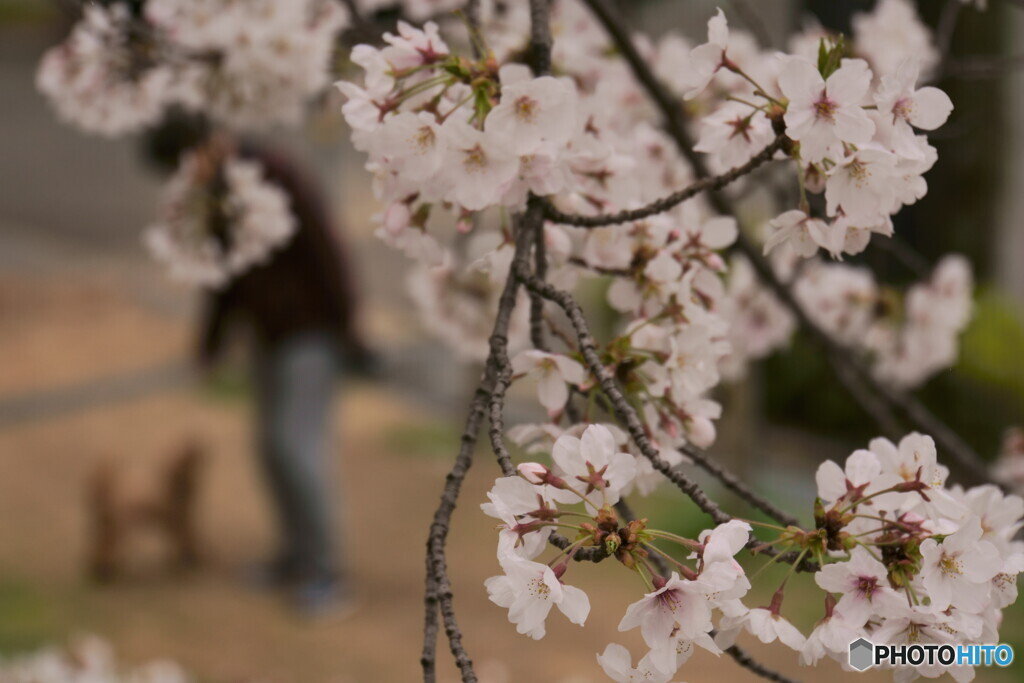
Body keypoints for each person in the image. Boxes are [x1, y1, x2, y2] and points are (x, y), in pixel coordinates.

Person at [144, 113, 369, 615]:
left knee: (297, 445)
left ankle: (328, 573)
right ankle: (294, 556)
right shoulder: (215, 196)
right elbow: (225, 276)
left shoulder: (270, 171)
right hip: (267, 335)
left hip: (311, 330)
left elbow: (325, 249)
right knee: (269, 446)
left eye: (183, 170)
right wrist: (211, 344)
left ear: (199, 150)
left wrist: (349, 328)